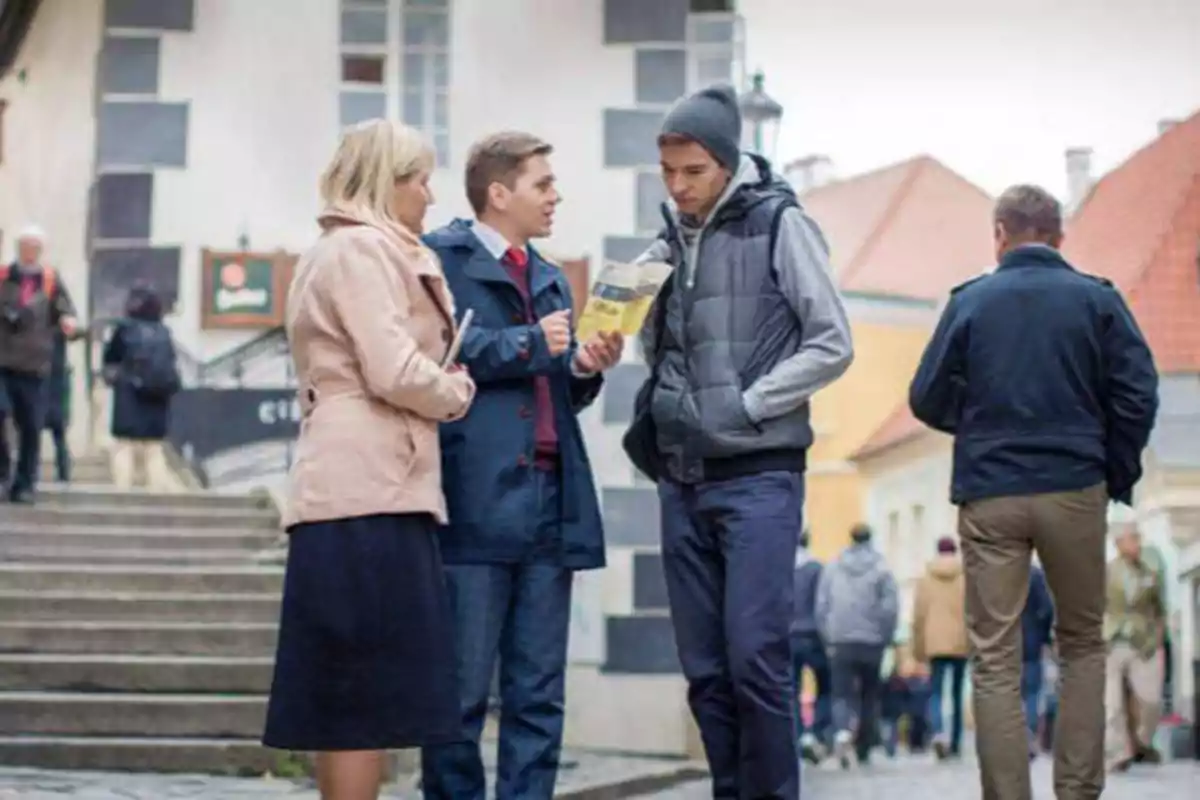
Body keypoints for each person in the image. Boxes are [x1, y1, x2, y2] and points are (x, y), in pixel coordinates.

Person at [624, 85, 853, 800]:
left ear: (725, 162)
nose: (678, 185)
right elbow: (646, 343)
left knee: (756, 657)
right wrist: (609, 344)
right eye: (667, 172)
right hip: (682, 474)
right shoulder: (661, 244)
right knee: (706, 668)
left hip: (758, 476)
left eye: (692, 171)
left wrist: (751, 404)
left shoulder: (782, 224)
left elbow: (832, 342)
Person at [908, 184, 1159, 800]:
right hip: (1075, 487)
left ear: (998, 235)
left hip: (991, 493)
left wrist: (978, 429)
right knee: (1080, 644)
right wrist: (1113, 469)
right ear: (1059, 236)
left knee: (993, 657)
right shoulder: (1096, 301)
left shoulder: (971, 303)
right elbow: (1137, 392)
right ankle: (1077, 791)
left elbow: (925, 396)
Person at [261, 119, 476, 800]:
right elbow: (391, 367)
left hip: (366, 482)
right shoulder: (360, 250)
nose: (430, 195)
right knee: (358, 692)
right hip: (368, 485)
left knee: (355, 692)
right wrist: (454, 390)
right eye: (420, 180)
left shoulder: (349, 248)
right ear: (388, 182)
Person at [420, 132, 622, 800]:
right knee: (459, 693)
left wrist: (584, 367)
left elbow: (556, 380)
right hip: (473, 498)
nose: (555, 195)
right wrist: (531, 343)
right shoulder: (439, 258)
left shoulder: (548, 273)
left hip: (551, 499)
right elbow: (437, 351)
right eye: (543, 183)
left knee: (539, 695)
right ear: (499, 193)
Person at [0, 225, 78, 502]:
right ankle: (2, 475)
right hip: (3, 359)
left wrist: (68, 321)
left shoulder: (50, 280)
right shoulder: (3, 276)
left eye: (34, 247)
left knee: (31, 426)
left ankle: (24, 484)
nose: (29, 252)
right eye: (25, 246)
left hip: (34, 365)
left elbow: (66, 309)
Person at [817, 523, 899, 768]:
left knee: (841, 693)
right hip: (872, 641)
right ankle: (864, 745)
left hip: (840, 639)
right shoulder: (882, 568)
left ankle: (842, 734)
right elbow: (890, 608)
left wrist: (827, 637)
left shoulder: (833, 567)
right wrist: (886, 636)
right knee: (869, 694)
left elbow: (822, 606)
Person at [101, 285, 180, 490]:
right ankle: (154, 491)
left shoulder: (125, 329)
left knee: (124, 446)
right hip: (158, 398)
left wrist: (112, 378)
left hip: (129, 395)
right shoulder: (164, 333)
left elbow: (110, 358)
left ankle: (123, 490)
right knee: (153, 449)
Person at [1103, 524, 1167, 771]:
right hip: (1112, 642)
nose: (1136, 544)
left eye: (1138, 538)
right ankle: (1118, 754)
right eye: (1131, 539)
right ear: (1118, 544)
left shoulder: (1150, 572)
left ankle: (1141, 743)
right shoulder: (1107, 572)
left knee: (1150, 700)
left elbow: (1159, 608)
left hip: (1143, 643)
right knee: (1112, 704)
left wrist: (1158, 637)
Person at [911, 536, 969, 760]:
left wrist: (918, 649)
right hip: (961, 642)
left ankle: (937, 732)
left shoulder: (926, 579)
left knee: (935, 692)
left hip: (934, 642)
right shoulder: (966, 577)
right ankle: (955, 743)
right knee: (956, 693)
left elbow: (918, 616)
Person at [791, 528, 832, 763]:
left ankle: (797, 736)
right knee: (825, 687)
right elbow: (823, 604)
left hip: (788, 636)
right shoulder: (817, 568)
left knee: (791, 690)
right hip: (814, 635)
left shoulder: (782, 569)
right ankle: (816, 732)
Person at [1021, 560, 1054, 758]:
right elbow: (1047, 608)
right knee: (1032, 692)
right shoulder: (1034, 574)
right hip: (1031, 642)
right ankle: (1029, 734)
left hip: (1003, 644)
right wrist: (1043, 635)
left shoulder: (998, 573)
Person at [43, 329, 74, 482]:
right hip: (52, 377)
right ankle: (63, 469)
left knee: (57, 431)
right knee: (58, 431)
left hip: (47, 377)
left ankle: (63, 468)